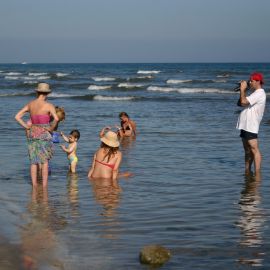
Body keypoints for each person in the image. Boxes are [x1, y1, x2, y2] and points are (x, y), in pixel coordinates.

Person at [15, 83, 59, 188]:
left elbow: (17, 116)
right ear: (47, 94)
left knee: (33, 161)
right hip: (44, 133)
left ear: (37, 92)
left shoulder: (30, 104)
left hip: (33, 132)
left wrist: (26, 126)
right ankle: (44, 186)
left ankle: (34, 185)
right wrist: (51, 128)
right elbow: (56, 119)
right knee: (44, 161)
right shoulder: (49, 105)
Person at [236, 72, 266, 174]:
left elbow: (244, 102)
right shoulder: (253, 93)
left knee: (254, 149)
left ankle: (257, 173)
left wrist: (243, 90)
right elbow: (240, 103)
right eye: (249, 80)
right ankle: (247, 170)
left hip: (251, 125)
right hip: (245, 125)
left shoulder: (259, 93)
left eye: (251, 81)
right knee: (247, 150)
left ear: (258, 81)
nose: (250, 82)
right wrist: (243, 90)